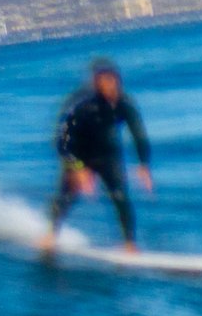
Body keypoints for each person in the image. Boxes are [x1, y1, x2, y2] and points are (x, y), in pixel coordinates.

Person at [43, 58, 152, 252]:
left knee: (120, 196)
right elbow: (61, 141)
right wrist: (78, 169)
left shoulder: (124, 103)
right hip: (78, 154)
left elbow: (138, 133)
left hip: (108, 154)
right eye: (103, 81)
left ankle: (129, 244)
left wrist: (143, 165)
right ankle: (51, 235)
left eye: (112, 81)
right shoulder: (80, 104)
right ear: (95, 82)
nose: (109, 86)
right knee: (67, 196)